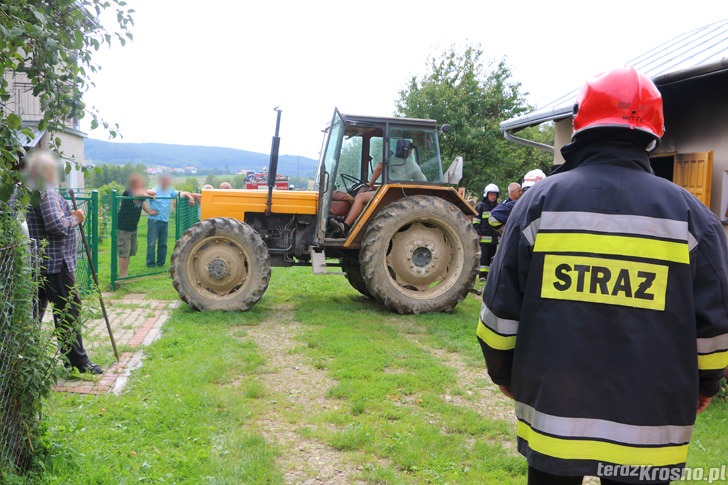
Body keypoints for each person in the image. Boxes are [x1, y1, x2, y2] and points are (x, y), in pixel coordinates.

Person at [478, 66, 728, 484]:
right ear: (652, 134)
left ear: (581, 128)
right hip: (650, 429)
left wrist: (503, 373)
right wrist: (706, 384)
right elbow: (715, 327)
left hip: (554, 419)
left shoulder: (539, 204)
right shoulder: (691, 217)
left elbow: (500, 311)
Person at [24, 150, 103, 374]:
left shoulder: (32, 190)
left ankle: (28, 357)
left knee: (34, 312)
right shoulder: (45, 191)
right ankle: (78, 363)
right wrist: (75, 218)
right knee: (69, 310)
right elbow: (56, 226)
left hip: (41, 262)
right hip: (55, 264)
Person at [343, 140, 425, 231]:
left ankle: (345, 226)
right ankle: (357, 227)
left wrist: (370, 184)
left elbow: (379, 168)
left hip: (391, 195)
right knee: (364, 201)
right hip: (399, 194)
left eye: (410, 150)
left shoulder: (391, 159)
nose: (410, 152)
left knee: (360, 197)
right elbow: (423, 182)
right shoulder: (413, 165)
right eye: (410, 150)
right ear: (406, 150)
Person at [144, 173, 199, 268]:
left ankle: (160, 263)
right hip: (154, 221)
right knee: (151, 243)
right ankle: (150, 264)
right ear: (161, 181)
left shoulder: (169, 191)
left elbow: (182, 193)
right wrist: (148, 211)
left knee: (163, 244)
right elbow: (141, 199)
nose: (167, 182)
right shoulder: (154, 191)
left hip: (165, 221)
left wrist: (190, 197)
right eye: (165, 180)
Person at [117, 173, 156, 278]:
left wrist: (149, 211)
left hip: (133, 227)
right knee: (124, 253)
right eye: (140, 183)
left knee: (129, 252)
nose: (142, 185)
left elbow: (146, 197)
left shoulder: (141, 193)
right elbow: (139, 194)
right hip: (123, 228)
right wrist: (148, 195)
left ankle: (125, 273)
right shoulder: (128, 192)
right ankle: (122, 275)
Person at [473, 184, 500, 280]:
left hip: (494, 238)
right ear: (486, 195)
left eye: (494, 195)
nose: (493, 196)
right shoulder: (480, 206)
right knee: (484, 257)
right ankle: (482, 275)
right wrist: (477, 232)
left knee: (492, 256)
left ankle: (490, 275)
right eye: (491, 194)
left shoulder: (499, 206)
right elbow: (476, 220)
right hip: (483, 237)